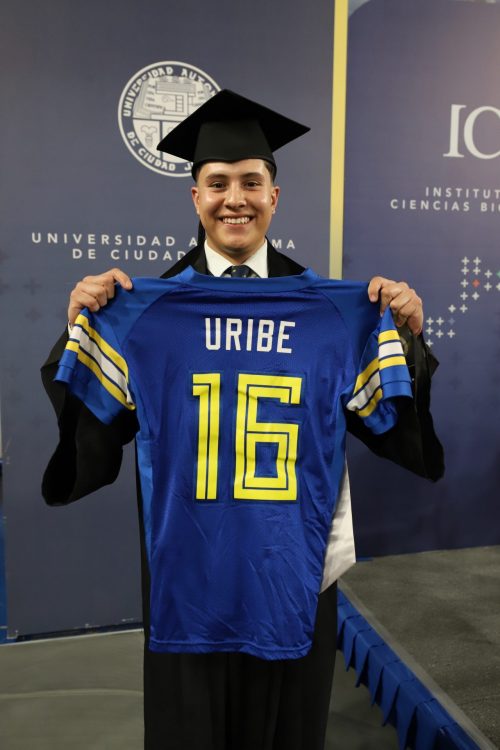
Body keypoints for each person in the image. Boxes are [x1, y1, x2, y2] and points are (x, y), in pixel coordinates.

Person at [41, 90, 443, 750]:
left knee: (287, 730)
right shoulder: (143, 312)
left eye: (251, 183)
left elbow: (392, 429)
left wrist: (407, 337)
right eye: (218, 183)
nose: (236, 199)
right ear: (195, 197)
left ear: (274, 197)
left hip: (293, 571)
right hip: (188, 575)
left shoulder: (331, 313)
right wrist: (82, 330)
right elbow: (94, 436)